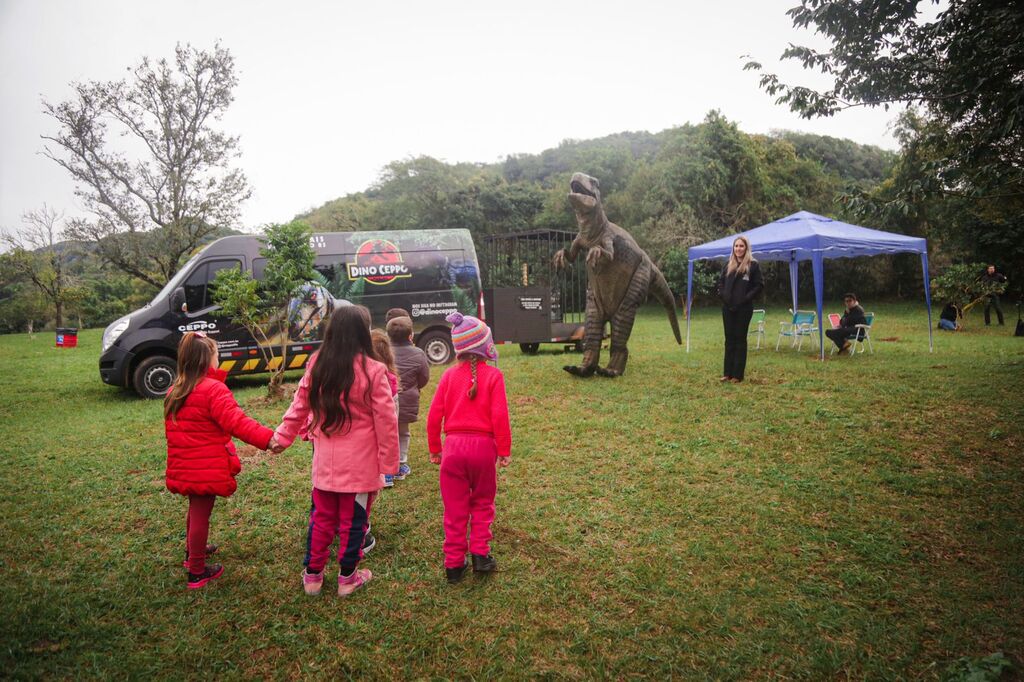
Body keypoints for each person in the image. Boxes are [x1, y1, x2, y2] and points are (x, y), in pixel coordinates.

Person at [272, 306, 399, 598]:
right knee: (354, 523)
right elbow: (386, 420)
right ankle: (347, 579)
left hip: (325, 465)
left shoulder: (318, 364)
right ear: (362, 334)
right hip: (361, 467)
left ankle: (313, 577)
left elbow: (299, 406)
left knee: (322, 520)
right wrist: (389, 462)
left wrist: (282, 437)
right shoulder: (374, 370)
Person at [164, 332, 277, 589]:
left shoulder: (175, 389)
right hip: (206, 467)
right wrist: (268, 439)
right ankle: (197, 570)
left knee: (195, 509)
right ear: (207, 360)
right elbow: (237, 422)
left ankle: (192, 551)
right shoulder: (213, 390)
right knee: (201, 514)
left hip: (186, 465)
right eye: (217, 355)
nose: (219, 360)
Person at [426, 312, 511, 584]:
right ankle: (480, 555)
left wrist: (435, 448)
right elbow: (500, 416)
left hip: (453, 449)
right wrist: (504, 449)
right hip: (484, 449)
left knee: (454, 509)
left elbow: (433, 416)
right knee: (483, 502)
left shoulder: (448, 377)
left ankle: (453, 564)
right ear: (485, 346)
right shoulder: (494, 376)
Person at [387, 315, 430, 481]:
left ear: (388, 334)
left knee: (384, 434)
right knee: (403, 433)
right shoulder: (418, 353)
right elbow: (424, 377)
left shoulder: (382, 352)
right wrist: (414, 387)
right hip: (407, 400)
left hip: (384, 400)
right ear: (410, 335)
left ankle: (385, 470)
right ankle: (400, 465)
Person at [717, 236, 763, 383]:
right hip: (727, 308)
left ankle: (737, 375)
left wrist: (745, 299)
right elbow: (721, 284)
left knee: (740, 339)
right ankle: (727, 373)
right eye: (736, 246)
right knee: (729, 339)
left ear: (746, 247)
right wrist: (723, 296)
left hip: (743, 309)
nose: (738, 249)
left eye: (741, 246)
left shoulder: (753, 265)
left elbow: (758, 286)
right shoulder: (728, 265)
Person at [370, 328, 401, 488]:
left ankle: (385, 475)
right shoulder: (391, 375)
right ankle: (388, 475)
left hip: (373, 417)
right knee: (388, 440)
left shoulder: (369, 373)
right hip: (389, 415)